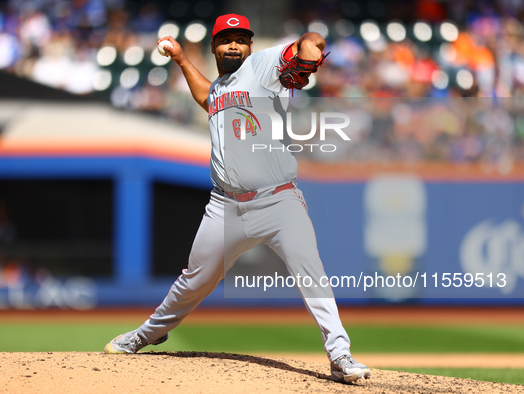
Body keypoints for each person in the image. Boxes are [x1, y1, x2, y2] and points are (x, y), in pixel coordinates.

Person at [104, 13, 371, 383]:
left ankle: (340, 354)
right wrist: (182, 60)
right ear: (214, 47)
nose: (234, 45)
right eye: (227, 39)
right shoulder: (218, 89)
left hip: (279, 202)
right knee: (194, 280)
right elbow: (205, 96)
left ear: (250, 45)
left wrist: (309, 51)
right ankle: (147, 334)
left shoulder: (262, 67)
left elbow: (310, 40)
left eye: (241, 39)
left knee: (311, 272)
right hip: (224, 206)